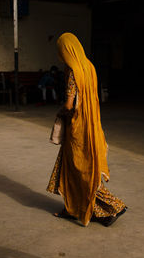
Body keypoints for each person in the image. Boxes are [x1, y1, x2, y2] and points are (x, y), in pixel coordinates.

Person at [46, 33, 127, 227]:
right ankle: (73, 208)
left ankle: (114, 206)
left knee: (82, 170)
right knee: (75, 168)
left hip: (77, 127)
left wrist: (60, 112)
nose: (60, 55)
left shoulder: (72, 70)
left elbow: (69, 104)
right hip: (91, 124)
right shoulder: (89, 66)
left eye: (61, 51)